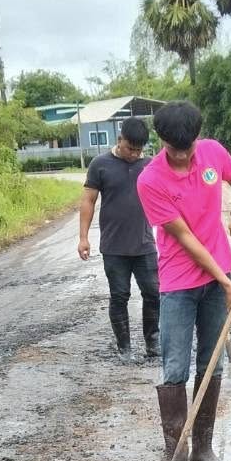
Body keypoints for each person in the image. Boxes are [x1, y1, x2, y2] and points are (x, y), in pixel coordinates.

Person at [136, 100, 231, 461]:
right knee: (175, 366)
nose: (182, 156)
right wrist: (227, 281)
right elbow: (186, 239)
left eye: (188, 148)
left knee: (212, 362)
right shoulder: (150, 180)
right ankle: (176, 454)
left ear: (198, 137)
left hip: (218, 279)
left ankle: (202, 449)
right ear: (161, 141)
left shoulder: (212, 152)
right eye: (174, 149)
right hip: (179, 283)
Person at [78, 117, 159, 363]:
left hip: (145, 244)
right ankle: (124, 347)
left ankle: (153, 343)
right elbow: (88, 201)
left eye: (138, 150)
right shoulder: (100, 164)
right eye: (129, 148)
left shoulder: (150, 165)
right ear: (119, 139)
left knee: (153, 293)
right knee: (119, 295)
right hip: (114, 247)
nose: (134, 154)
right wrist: (83, 237)